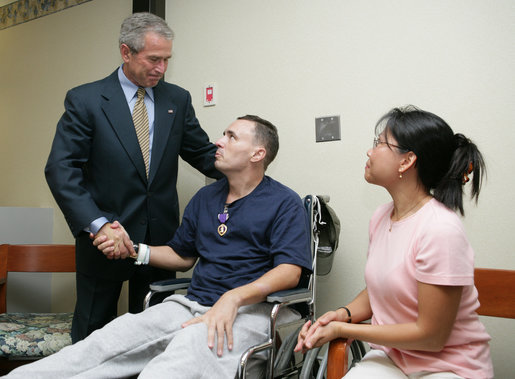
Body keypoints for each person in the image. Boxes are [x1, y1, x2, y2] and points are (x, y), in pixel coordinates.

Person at [7, 115, 312, 378]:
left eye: (231, 136)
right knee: (108, 340)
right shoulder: (206, 198)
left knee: (177, 359)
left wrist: (234, 298)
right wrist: (134, 250)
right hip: (193, 303)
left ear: (257, 154)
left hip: (253, 310)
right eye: (223, 134)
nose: (218, 141)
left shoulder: (284, 202)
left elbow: (289, 272)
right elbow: (182, 256)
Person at [44, 12, 222, 343]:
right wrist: (97, 225)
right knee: (93, 336)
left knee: (154, 337)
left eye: (167, 59)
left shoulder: (177, 100)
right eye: (154, 59)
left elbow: (201, 154)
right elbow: (61, 169)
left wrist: (245, 162)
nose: (161, 68)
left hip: (159, 241)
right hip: (106, 238)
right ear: (126, 52)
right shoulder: (87, 100)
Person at [295, 106, 493, 378]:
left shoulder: (440, 229)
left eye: (379, 143)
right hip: (394, 357)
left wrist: (344, 329)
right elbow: (380, 291)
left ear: (406, 161)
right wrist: (341, 314)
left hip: (449, 366)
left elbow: (431, 337)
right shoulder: (381, 217)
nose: (370, 151)